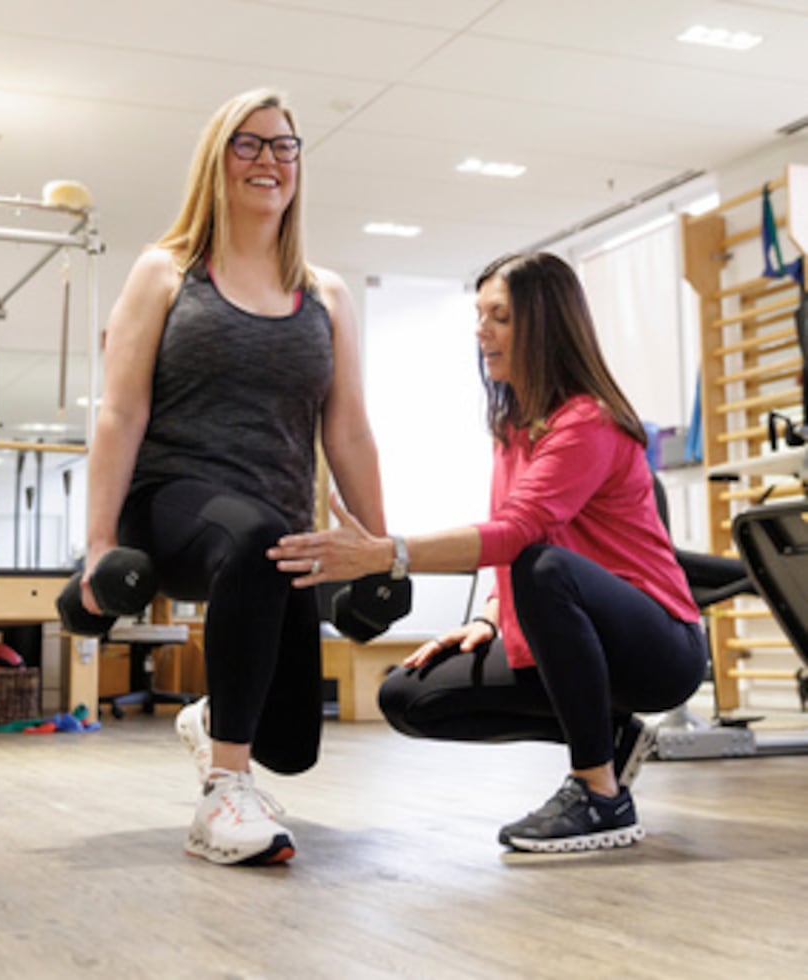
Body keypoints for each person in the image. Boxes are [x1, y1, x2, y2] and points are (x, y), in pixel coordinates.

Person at [268, 251, 707, 854]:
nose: (481, 332)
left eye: (498, 316)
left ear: (544, 324)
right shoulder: (513, 429)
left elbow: (518, 535)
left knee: (541, 565)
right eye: (479, 316)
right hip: (577, 636)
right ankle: (610, 737)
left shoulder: (587, 422)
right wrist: (487, 618)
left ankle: (600, 795)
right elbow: (514, 535)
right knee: (409, 695)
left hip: (659, 649)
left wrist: (384, 554)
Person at [81, 88, 386, 866]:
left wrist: (380, 551)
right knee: (250, 537)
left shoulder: (326, 294)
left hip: (278, 527)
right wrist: (97, 547)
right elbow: (120, 415)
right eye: (247, 144)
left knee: (292, 743)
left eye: (284, 146)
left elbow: (348, 429)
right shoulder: (167, 273)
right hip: (176, 503)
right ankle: (223, 792)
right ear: (216, 161)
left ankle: (219, 724)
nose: (268, 161)